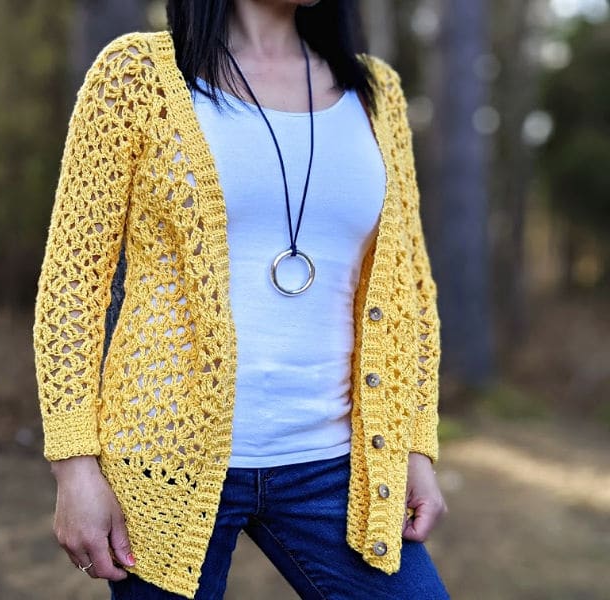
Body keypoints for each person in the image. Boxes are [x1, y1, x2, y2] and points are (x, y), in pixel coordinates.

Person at [32, 1, 450, 598]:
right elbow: (72, 286)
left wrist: (414, 448)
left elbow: (410, 293)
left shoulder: (378, 93)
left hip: (338, 466)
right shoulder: (135, 76)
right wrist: (73, 465)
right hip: (165, 458)